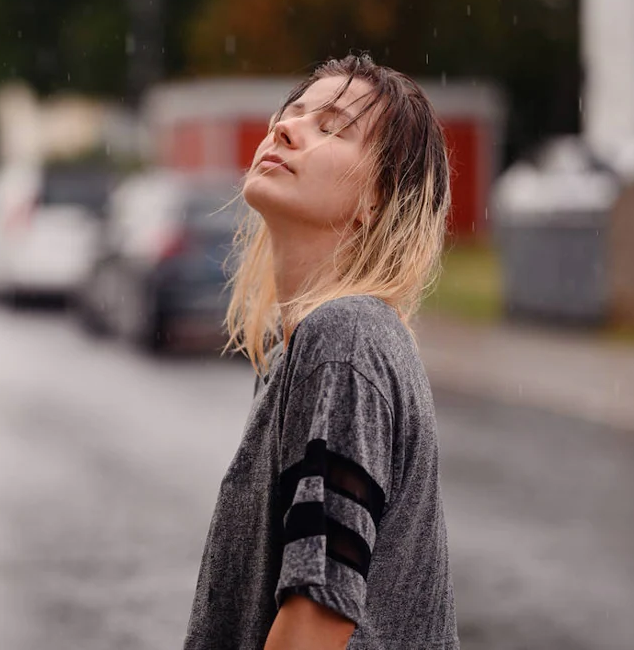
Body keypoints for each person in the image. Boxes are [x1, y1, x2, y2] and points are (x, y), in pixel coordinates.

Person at [183, 55, 459, 650]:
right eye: (294, 112)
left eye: (332, 127)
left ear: (377, 201)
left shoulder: (346, 339)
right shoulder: (298, 351)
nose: (285, 128)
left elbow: (317, 617)